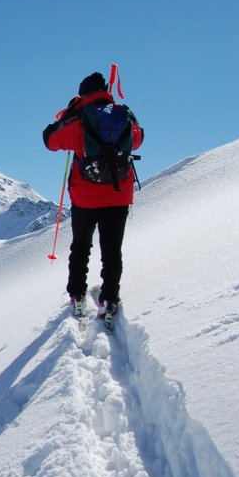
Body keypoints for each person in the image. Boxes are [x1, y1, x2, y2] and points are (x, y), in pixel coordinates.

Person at [42, 71, 144, 320]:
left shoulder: (78, 118)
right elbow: (138, 139)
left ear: (83, 93)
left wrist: (69, 112)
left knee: (81, 245)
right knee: (112, 250)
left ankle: (77, 293)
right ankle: (109, 299)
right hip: (119, 194)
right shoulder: (123, 114)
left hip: (85, 196)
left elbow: (50, 140)